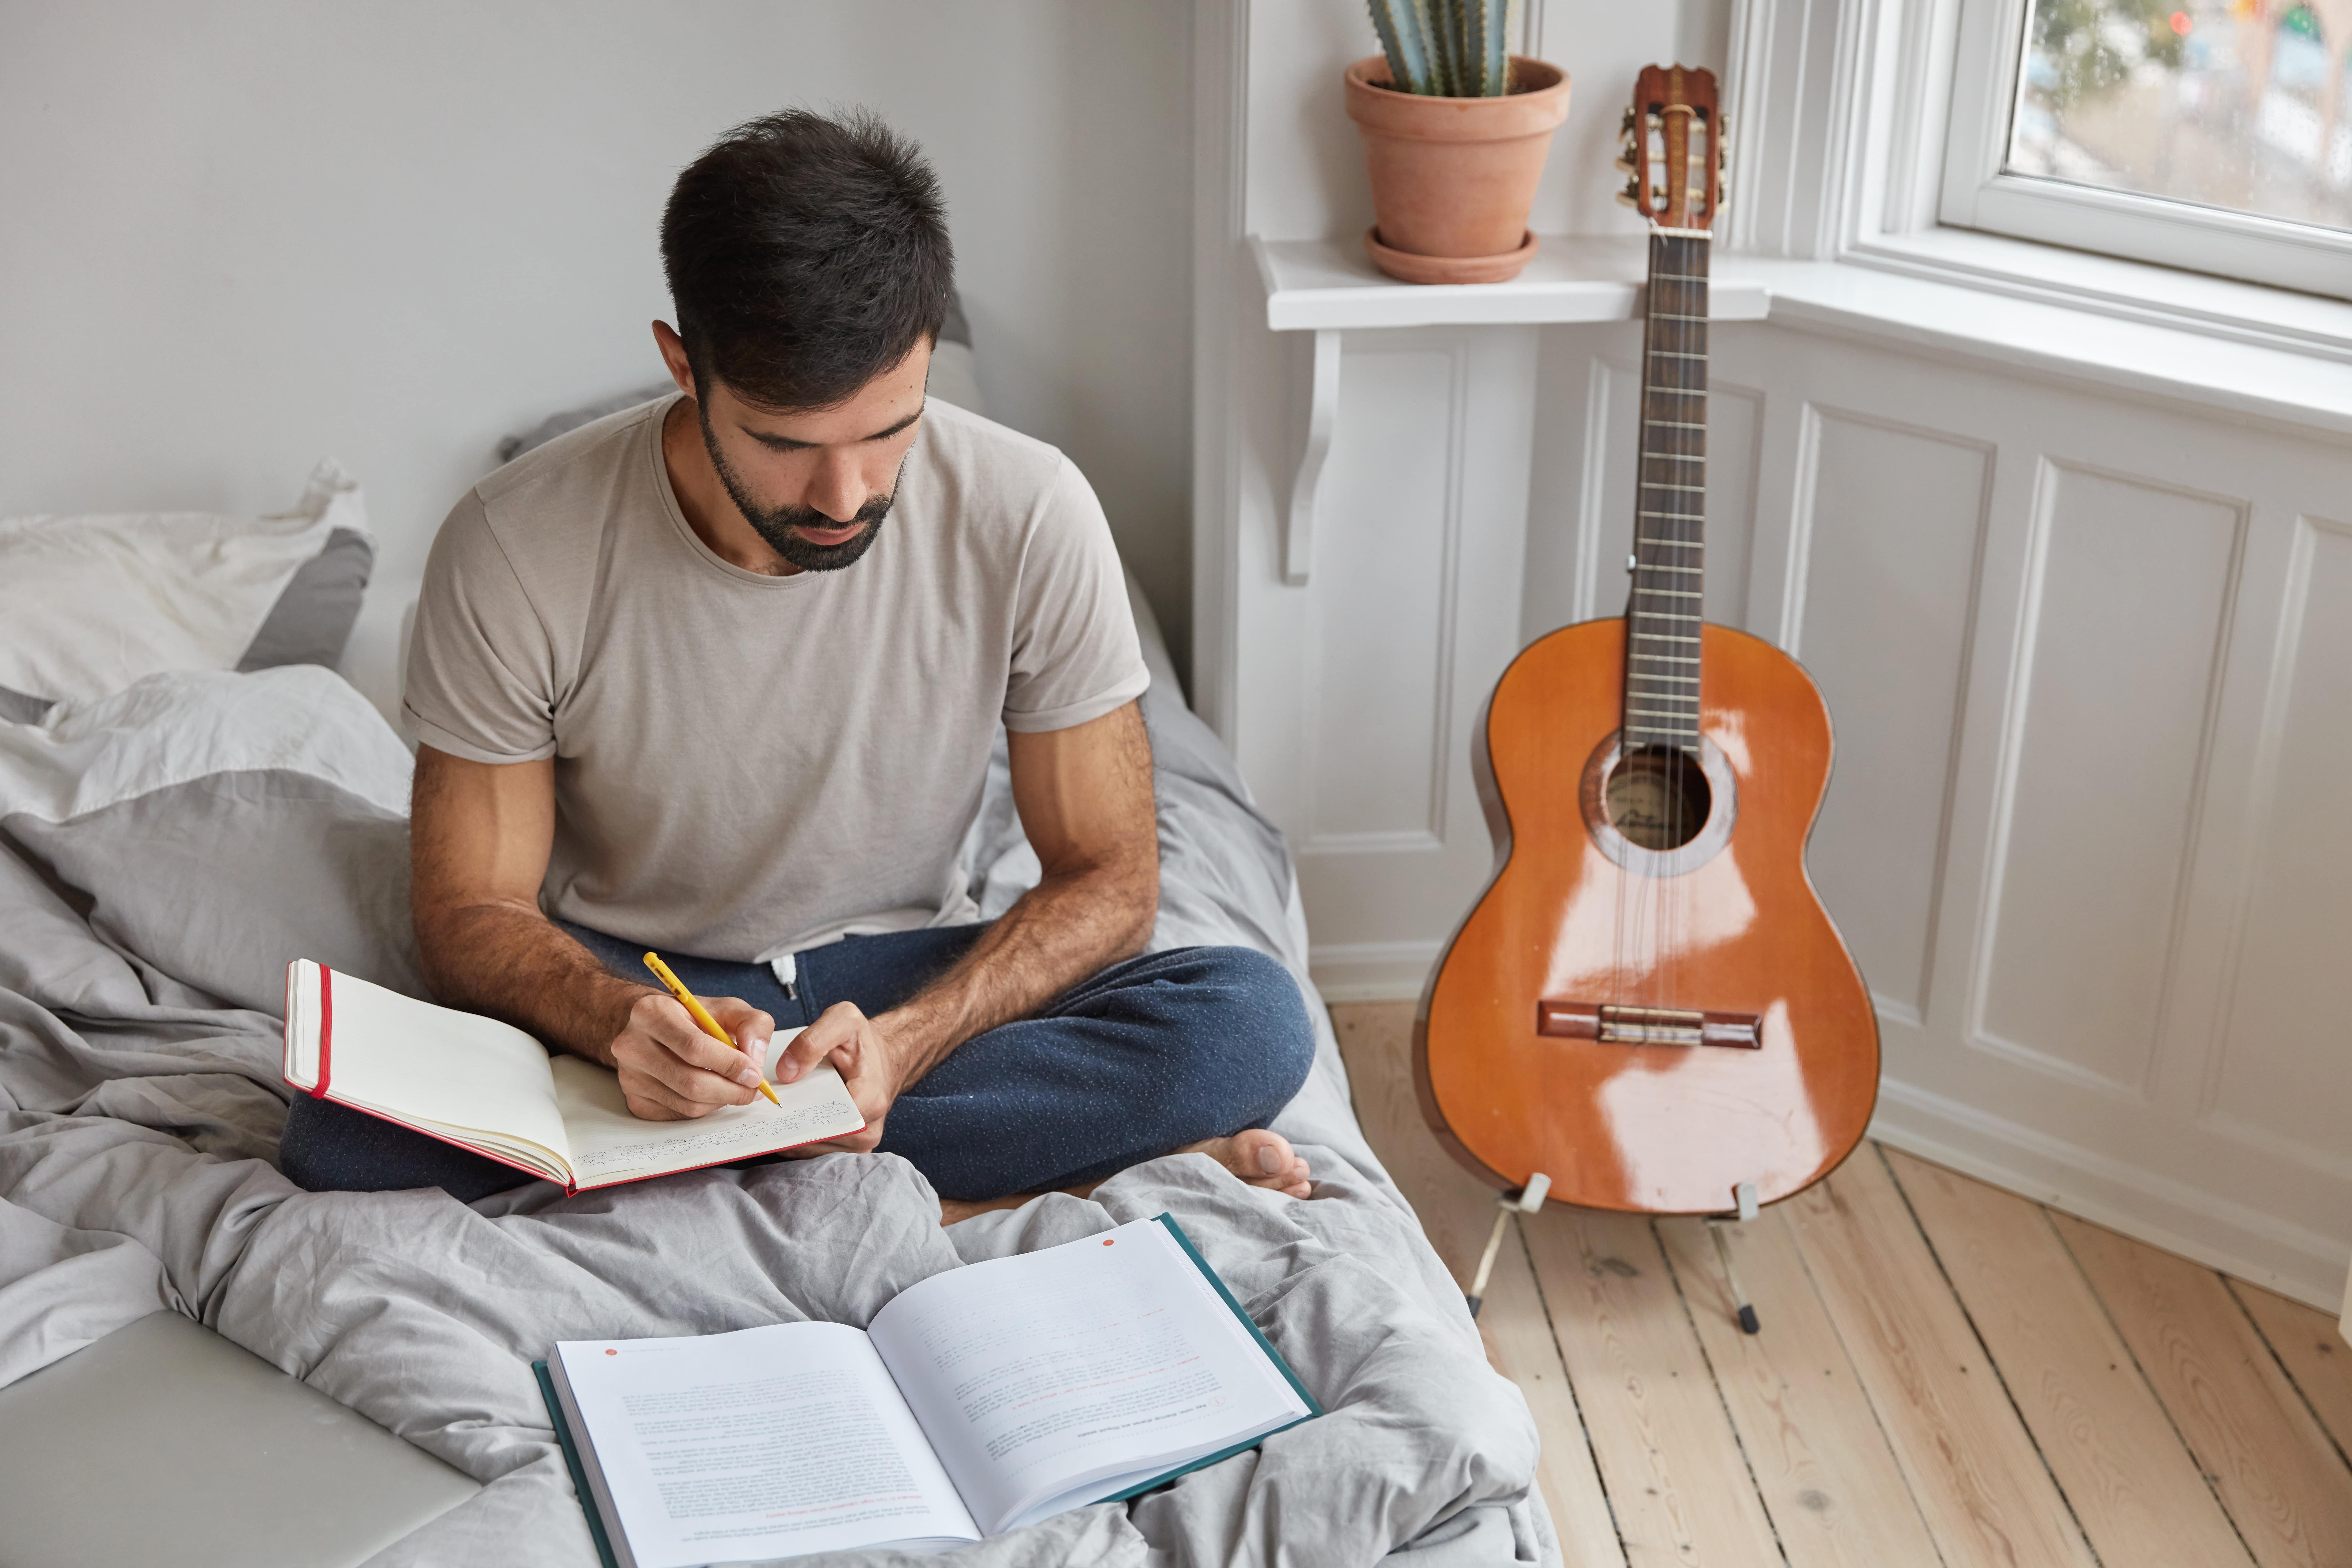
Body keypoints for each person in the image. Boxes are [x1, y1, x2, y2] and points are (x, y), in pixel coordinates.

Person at [278, 108, 1317, 1213]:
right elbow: (471, 912)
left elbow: (1111, 875)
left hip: (908, 974)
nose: (847, 496)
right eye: (786, 443)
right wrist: (618, 1024)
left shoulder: (1032, 509)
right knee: (334, 1137)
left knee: (1249, 1020)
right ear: (683, 366)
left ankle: (711, 1170)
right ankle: (988, 1174)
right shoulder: (513, 545)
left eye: (889, 432)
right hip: (642, 992)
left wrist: (909, 1043)